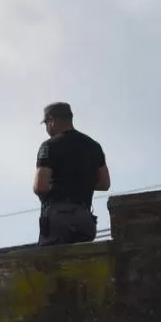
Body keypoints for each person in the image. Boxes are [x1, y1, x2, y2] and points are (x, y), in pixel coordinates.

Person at [33, 102, 111, 246]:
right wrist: (80, 184)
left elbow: (40, 186)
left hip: (58, 217)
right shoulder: (93, 146)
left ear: (51, 120)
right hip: (85, 218)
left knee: (51, 264)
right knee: (81, 263)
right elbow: (105, 183)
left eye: (46, 124)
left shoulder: (49, 146)